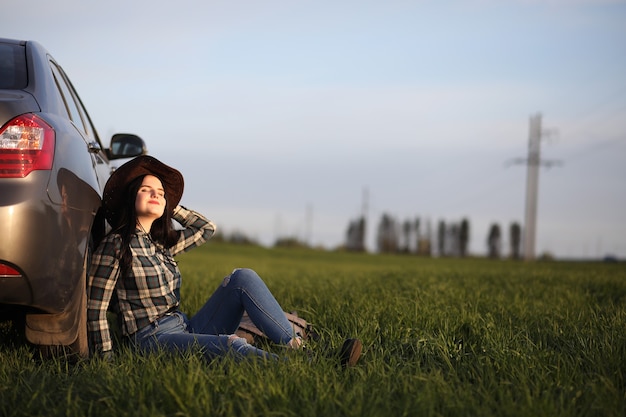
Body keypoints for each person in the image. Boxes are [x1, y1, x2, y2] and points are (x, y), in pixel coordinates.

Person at [86, 155, 361, 366]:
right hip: (149, 339)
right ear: (130, 197)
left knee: (243, 277)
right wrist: (107, 360)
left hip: (184, 326)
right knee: (232, 345)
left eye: (160, 191)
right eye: (147, 190)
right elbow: (96, 309)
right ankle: (312, 366)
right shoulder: (116, 245)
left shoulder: (161, 245)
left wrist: (172, 207)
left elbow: (206, 228)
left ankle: (297, 347)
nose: (156, 194)